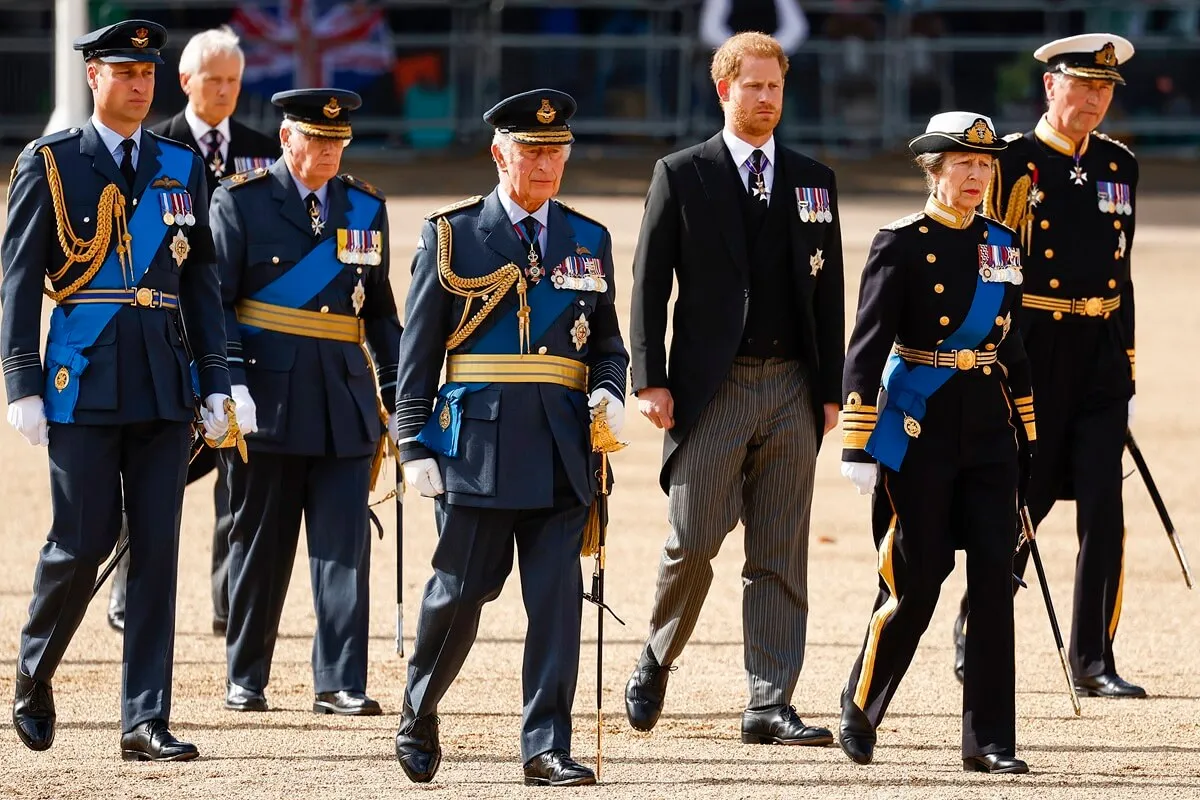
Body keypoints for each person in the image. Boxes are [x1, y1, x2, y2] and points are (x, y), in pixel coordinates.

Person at [2, 20, 231, 761]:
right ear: (94, 77)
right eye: (124, 71)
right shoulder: (52, 162)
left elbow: (201, 285)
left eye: (148, 72)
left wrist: (218, 381)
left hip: (165, 383)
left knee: (158, 551)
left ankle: (144, 720)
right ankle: (34, 671)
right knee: (81, 540)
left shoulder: (181, 165)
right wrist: (20, 381)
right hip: (84, 378)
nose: (140, 84)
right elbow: (16, 286)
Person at [392, 89, 628, 786]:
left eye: (557, 151)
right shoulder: (454, 234)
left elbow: (606, 339)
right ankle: (418, 707)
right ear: (501, 154)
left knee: (557, 605)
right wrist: (412, 443)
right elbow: (419, 350)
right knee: (458, 595)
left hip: (562, 449)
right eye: (533, 151)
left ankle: (544, 745)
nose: (547, 163)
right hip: (478, 449)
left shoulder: (589, 238)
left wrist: (610, 386)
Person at [625, 31, 844, 745]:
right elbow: (649, 286)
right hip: (711, 388)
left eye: (775, 86)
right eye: (753, 86)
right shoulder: (681, 173)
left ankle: (768, 702)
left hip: (792, 387)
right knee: (692, 541)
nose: (766, 98)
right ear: (725, 89)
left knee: (780, 551)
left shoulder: (815, 179)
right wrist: (650, 379)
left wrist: (832, 388)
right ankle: (656, 656)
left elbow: (831, 292)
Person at [836, 112, 1034, 775]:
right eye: (962, 164)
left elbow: (1017, 348)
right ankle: (861, 705)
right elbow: (865, 347)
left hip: (987, 429)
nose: (976, 176)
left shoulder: (1003, 243)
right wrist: (859, 444)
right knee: (917, 581)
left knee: (992, 585)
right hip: (918, 428)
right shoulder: (900, 242)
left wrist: (1027, 435)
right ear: (934, 169)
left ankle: (989, 741)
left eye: (984, 165)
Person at [952, 34, 1144, 699]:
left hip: (1099, 355)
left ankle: (1093, 659)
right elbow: (985, 264)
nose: (1094, 100)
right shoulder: (1009, 163)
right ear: (1050, 86)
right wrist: (992, 356)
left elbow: (1124, 274)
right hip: (1032, 348)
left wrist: (1128, 364)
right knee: (1019, 502)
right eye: (1083, 86)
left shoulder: (1121, 166)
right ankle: (978, 623)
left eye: (1104, 89)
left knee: (1105, 508)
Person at [210, 88, 401, 716]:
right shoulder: (240, 204)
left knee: (344, 546)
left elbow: (379, 316)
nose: (327, 150)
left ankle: (340, 679)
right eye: (316, 138)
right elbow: (218, 307)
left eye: (337, 140)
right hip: (267, 398)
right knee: (261, 544)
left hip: (344, 402)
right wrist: (231, 382)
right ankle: (246, 673)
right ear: (287, 137)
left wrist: (403, 400)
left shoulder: (365, 209)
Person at [106, 24, 278, 636]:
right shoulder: (156, 148)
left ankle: (229, 603)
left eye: (235, 81)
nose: (226, 91)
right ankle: (128, 589)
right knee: (155, 473)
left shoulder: (263, 151)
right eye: (214, 81)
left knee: (240, 471)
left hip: (239, 340)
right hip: (159, 333)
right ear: (185, 81)